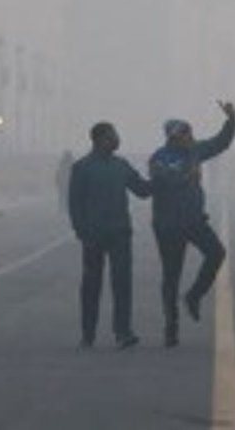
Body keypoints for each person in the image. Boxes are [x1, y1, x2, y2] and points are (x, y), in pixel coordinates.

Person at [149, 100, 235, 347]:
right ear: (174, 137)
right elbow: (163, 182)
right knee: (171, 274)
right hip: (167, 225)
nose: (191, 137)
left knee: (217, 253)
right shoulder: (159, 157)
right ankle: (171, 326)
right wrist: (186, 176)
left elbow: (221, 142)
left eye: (191, 134)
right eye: (186, 134)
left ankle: (194, 295)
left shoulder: (195, 151)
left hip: (194, 220)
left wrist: (231, 120)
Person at [68, 123, 152, 349]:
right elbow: (75, 203)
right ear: (99, 139)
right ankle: (88, 333)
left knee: (122, 284)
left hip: (119, 233)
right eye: (112, 136)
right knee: (91, 286)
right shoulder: (82, 168)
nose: (116, 140)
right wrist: (81, 230)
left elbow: (142, 190)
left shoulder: (121, 165)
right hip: (93, 235)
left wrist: (165, 178)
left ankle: (123, 332)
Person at [56, 149, 75, 217]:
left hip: (65, 184)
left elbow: (58, 175)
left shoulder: (63, 164)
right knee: (65, 197)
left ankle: (63, 209)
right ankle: (64, 209)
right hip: (66, 184)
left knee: (63, 197)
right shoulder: (72, 163)